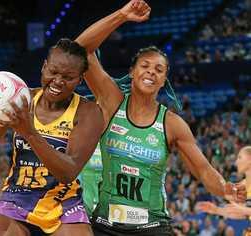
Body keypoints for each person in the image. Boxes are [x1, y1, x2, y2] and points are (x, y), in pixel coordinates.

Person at [75, 0, 245, 235]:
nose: (151, 72)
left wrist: (225, 188)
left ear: (164, 80)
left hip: (152, 226)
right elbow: (80, 49)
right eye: (145, 66)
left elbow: (203, 169)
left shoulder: (172, 124)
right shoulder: (112, 102)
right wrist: (122, 15)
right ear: (132, 72)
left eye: (158, 69)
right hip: (106, 224)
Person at [0, 39, 104, 236]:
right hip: (15, 198)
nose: (58, 81)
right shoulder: (21, 99)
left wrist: (30, 133)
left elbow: (68, 172)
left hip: (63, 202)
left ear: (80, 80)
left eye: (68, 77)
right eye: (54, 72)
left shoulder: (88, 112)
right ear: (44, 67)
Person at [197, 146, 251, 220]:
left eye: (240, 158)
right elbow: (243, 215)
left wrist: (243, 209)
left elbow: (244, 211)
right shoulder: (244, 183)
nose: (236, 162)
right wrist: (217, 210)